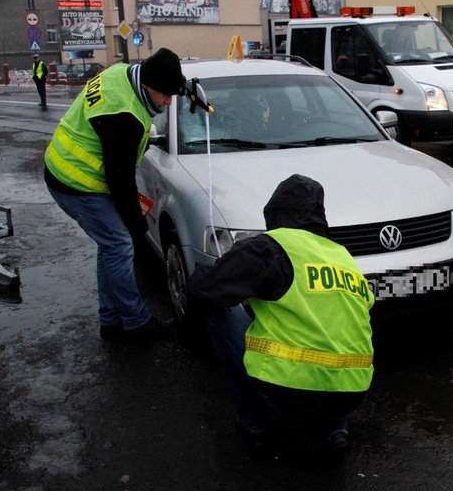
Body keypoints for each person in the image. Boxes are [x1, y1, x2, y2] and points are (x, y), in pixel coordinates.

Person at [186, 174, 375, 452]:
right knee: (335, 326)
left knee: (221, 311)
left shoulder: (269, 247)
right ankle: (334, 429)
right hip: (354, 390)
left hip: (291, 388)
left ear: (274, 210)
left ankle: (254, 423)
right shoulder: (341, 255)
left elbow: (205, 289)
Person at [43, 48, 185, 341]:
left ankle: (110, 319)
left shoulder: (121, 73)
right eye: (165, 95)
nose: (169, 101)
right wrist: (137, 225)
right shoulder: (124, 117)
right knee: (120, 243)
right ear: (148, 86)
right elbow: (120, 181)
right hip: (75, 181)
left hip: (62, 166)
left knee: (110, 245)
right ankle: (135, 323)